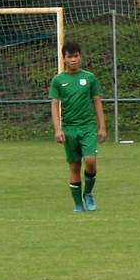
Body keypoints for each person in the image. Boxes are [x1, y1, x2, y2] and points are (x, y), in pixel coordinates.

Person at [49, 41, 107, 212]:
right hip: (69, 128)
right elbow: (54, 104)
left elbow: (97, 102)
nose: (73, 59)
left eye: (76, 56)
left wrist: (102, 127)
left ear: (80, 57)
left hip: (87, 127)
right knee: (74, 166)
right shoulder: (58, 80)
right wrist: (58, 129)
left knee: (90, 160)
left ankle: (88, 193)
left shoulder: (89, 78)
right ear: (64, 59)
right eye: (70, 57)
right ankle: (78, 205)